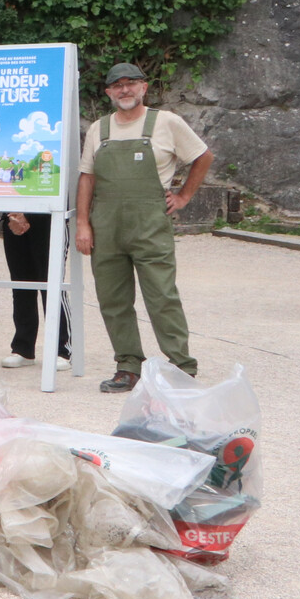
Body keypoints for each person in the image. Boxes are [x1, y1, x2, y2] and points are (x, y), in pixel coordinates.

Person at [75, 63, 211, 391]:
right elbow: (87, 177)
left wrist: (183, 197)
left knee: (162, 296)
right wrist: (83, 222)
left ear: (144, 88)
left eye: (131, 84)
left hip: (150, 225)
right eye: (117, 85)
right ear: (108, 92)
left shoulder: (166, 122)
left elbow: (202, 157)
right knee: (113, 299)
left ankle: (181, 367)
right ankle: (128, 366)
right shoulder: (99, 129)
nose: (124, 90)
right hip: (106, 226)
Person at [1, 211, 71, 369]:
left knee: (52, 283)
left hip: (51, 216)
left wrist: (28, 216)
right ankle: (23, 348)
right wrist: (12, 215)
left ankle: (63, 349)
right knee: (20, 284)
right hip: (13, 216)